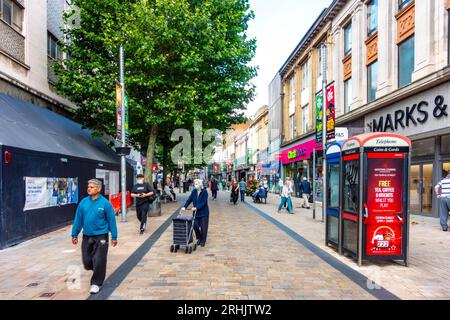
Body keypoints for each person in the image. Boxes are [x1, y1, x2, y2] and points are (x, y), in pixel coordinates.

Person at [71, 179, 118, 295]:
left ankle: (96, 283)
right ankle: (97, 268)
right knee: (87, 262)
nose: (89, 188)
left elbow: (112, 220)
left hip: (101, 236)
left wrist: (114, 236)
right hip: (87, 236)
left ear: (98, 189)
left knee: (99, 259)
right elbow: (78, 219)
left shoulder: (105, 203)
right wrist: (74, 234)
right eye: (88, 186)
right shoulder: (83, 203)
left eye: (92, 187)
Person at [182, 179, 210, 247]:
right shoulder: (194, 191)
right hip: (196, 213)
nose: (195, 185)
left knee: (204, 228)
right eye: (195, 184)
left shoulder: (204, 192)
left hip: (203, 213)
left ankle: (203, 240)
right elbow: (189, 200)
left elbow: (203, 203)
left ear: (200, 185)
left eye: (197, 184)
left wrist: (196, 207)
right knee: (195, 226)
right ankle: (199, 238)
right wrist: (184, 207)